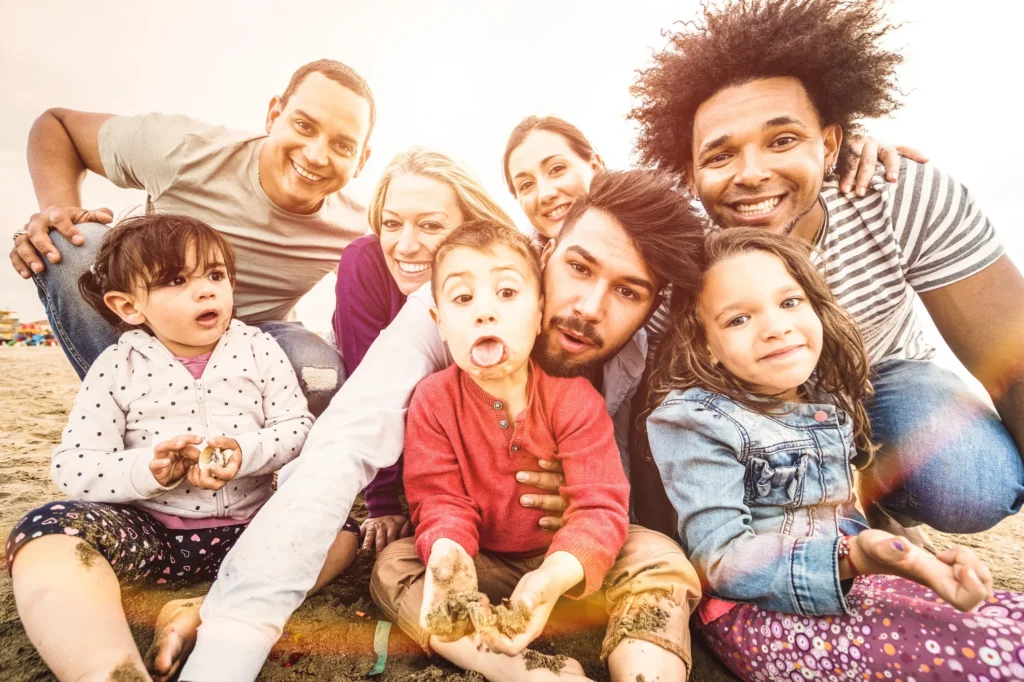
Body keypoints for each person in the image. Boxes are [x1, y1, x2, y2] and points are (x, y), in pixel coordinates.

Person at [173, 169, 704, 682]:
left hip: (579, 554)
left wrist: (581, 519)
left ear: (653, 305)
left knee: (657, 556)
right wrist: (231, 623)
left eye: (629, 292)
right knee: (395, 567)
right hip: (481, 551)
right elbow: (344, 448)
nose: (589, 308)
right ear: (545, 252)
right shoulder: (463, 301)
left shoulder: (655, 345)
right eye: (579, 268)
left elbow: (615, 497)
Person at [629, 0, 1024, 535]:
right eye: (719, 156)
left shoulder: (896, 193)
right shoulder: (682, 252)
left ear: (831, 142)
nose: (751, 173)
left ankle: (881, 497)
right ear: (691, 173)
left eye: (783, 140)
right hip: (757, 401)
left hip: (882, 379)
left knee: (972, 483)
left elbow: (1013, 361)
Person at [646, 228, 1024, 681]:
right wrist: (851, 556)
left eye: (789, 302)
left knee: (1002, 619)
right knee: (995, 654)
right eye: (737, 319)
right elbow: (720, 559)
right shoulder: (695, 419)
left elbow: (842, 512)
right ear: (704, 343)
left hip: (858, 586)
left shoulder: (827, 399)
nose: (776, 327)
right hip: (755, 616)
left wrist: (915, 564)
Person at [4, 215, 356, 682]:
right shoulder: (117, 366)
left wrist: (242, 452)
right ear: (128, 306)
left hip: (252, 534)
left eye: (215, 275)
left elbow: (296, 429)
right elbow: (73, 467)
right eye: (175, 281)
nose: (207, 291)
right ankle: (108, 670)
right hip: (152, 534)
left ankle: (200, 609)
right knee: (46, 532)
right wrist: (146, 471)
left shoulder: (258, 349)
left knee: (341, 531)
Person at [371, 220, 694, 682]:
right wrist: (450, 555)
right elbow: (438, 498)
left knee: (658, 556)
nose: (485, 312)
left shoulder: (574, 399)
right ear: (440, 324)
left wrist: (556, 573)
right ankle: (526, 669)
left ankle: (646, 668)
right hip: (487, 564)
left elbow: (599, 504)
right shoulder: (434, 400)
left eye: (506, 293)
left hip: (572, 568)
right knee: (394, 566)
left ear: (540, 311)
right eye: (463, 299)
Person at [8, 59, 375, 415]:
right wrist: (57, 209)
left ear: (361, 160)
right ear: (274, 115)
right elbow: (58, 125)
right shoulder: (185, 150)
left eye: (342, 146)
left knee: (318, 372)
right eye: (304, 125)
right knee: (71, 245)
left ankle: (255, 448)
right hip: (149, 321)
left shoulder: (357, 229)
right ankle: (131, 416)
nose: (315, 155)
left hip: (259, 338)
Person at [334, 148, 515, 553]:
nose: (405, 245)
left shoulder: (502, 273)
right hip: (381, 391)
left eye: (430, 226)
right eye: (392, 224)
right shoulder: (364, 262)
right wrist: (381, 503)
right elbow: (366, 378)